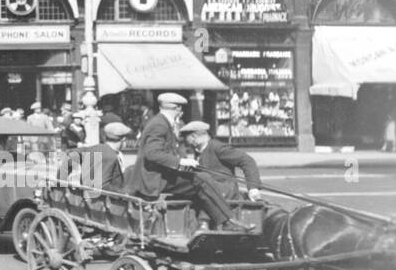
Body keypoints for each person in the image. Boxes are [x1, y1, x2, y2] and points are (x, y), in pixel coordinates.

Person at [123, 95, 244, 230]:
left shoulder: (160, 122)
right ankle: (226, 221)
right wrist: (181, 161)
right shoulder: (160, 124)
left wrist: (183, 164)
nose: (181, 114)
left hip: (159, 177)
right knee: (202, 179)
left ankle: (213, 221)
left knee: (200, 179)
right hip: (155, 181)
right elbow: (152, 153)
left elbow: (161, 153)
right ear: (177, 109)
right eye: (181, 110)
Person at [181, 120, 261, 203]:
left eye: (186, 138)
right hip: (210, 195)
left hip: (224, 197)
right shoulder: (199, 150)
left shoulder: (217, 147)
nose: (186, 143)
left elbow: (247, 161)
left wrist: (253, 188)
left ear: (194, 137)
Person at [57, 122, 132, 191]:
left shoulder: (93, 149)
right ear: (123, 139)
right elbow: (103, 186)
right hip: (109, 202)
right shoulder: (110, 156)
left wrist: (60, 183)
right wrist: (123, 193)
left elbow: (70, 155)